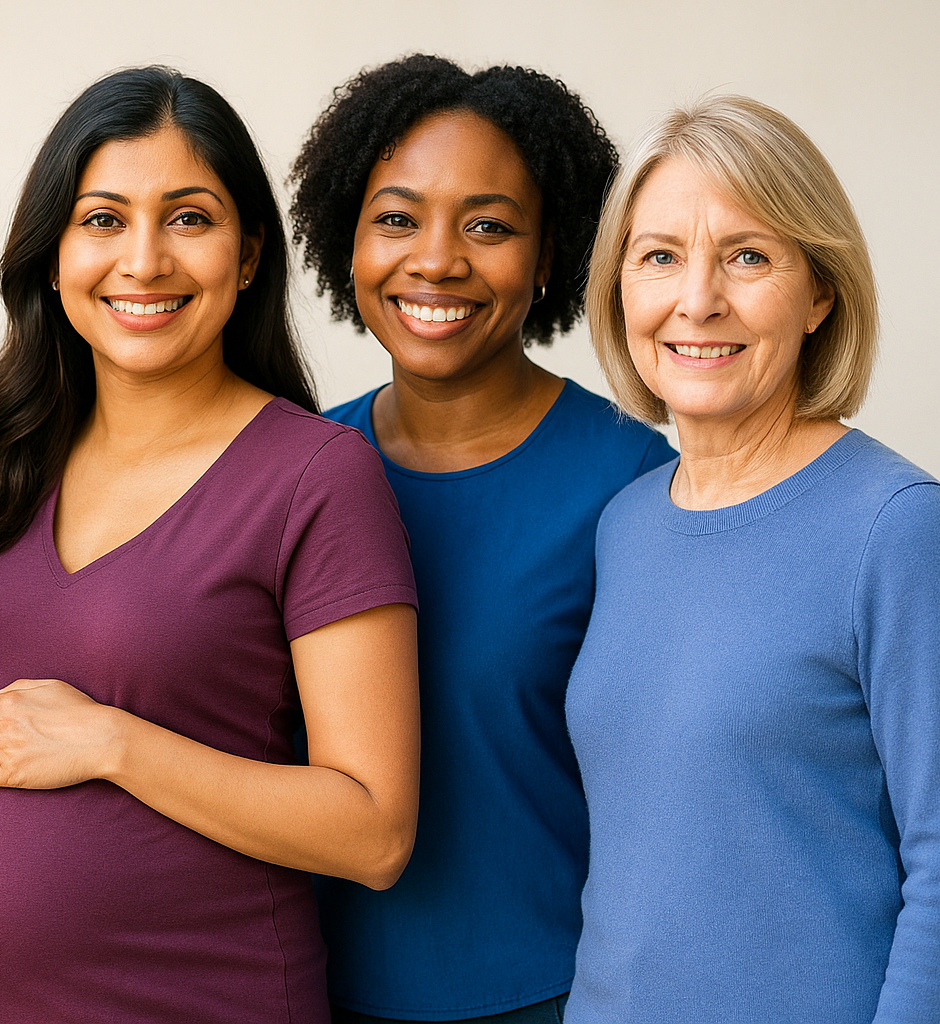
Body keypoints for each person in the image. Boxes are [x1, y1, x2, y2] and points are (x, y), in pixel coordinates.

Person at [0, 66, 421, 1024]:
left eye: (189, 218)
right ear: (51, 256)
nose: (144, 260)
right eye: (101, 219)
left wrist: (111, 742)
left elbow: (374, 829)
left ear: (249, 255)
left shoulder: (314, 478)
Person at [565, 95, 940, 1023]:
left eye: (748, 256)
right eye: (659, 258)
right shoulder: (625, 525)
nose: (697, 300)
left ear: (820, 291)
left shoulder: (898, 527)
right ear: (619, 289)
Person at [288, 55, 675, 1024]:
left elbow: (675, 794)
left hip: (554, 996)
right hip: (299, 989)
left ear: (550, 255)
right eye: (397, 217)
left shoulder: (628, 480)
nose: (437, 259)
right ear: (348, 238)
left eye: (490, 225)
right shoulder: (289, 469)